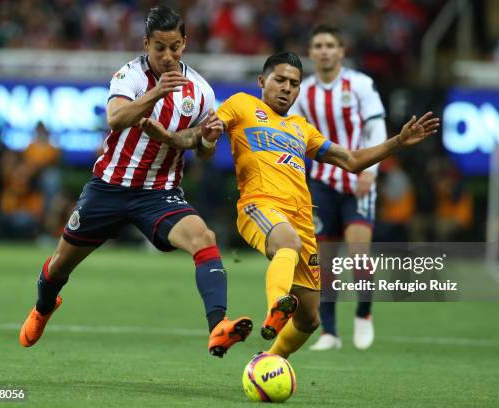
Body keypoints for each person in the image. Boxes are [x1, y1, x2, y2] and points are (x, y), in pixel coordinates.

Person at [143, 52, 437, 359]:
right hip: (260, 206)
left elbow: (350, 160)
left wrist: (397, 142)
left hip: (302, 222)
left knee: (310, 318)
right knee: (288, 243)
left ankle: (268, 361)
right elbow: (203, 135)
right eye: (279, 80)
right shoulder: (242, 104)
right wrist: (187, 138)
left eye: (293, 84)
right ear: (262, 81)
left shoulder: (301, 127)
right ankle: (276, 306)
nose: (286, 88)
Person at [18, 5, 252, 358]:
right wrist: (157, 92)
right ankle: (43, 308)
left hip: (159, 193)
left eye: (175, 47)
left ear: (185, 43)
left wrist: (205, 139)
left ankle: (218, 326)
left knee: (204, 238)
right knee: (60, 264)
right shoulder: (129, 76)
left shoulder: (200, 91)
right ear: (146, 44)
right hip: (109, 187)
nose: (168, 56)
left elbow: (199, 150)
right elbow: (115, 117)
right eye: (160, 48)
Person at [291, 24, 385, 351]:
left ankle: (363, 313)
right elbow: (295, 135)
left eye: (331, 44)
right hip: (322, 182)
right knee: (323, 261)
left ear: (341, 51)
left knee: (359, 254)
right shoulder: (303, 92)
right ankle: (329, 332)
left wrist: (371, 171)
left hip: (358, 180)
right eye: (318, 45)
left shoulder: (359, 84)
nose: (325, 50)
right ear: (312, 51)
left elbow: (376, 127)